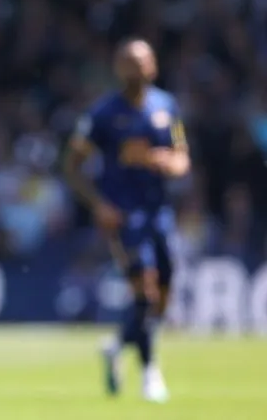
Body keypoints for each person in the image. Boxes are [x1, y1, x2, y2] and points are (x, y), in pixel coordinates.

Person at [64, 38, 190, 403]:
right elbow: (72, 165)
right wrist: (99, 205)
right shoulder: (103, 114)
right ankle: (151, 373)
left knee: (161, 297)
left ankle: (117, 346)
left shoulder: (166, 106)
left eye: (142, 61)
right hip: (124, 215)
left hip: (160, 213)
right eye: (128, 62)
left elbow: (183, 158)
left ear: (153, 66)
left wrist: (166, 162)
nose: (136, 68)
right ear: (118, 68)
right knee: (145, 291)